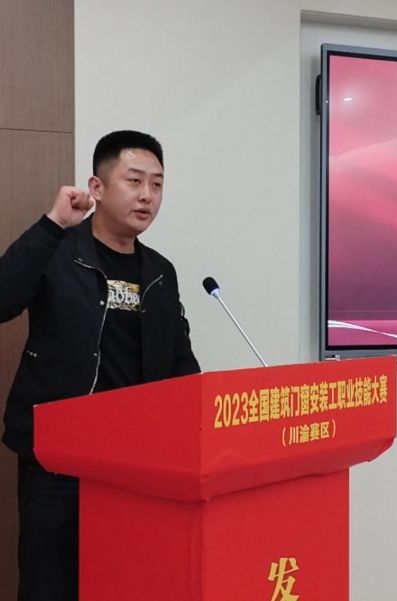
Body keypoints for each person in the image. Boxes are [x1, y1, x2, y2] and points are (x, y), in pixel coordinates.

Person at [0, 130, 201, 601]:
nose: (147, 195)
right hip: (58, 461)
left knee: (124, 583)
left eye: (157, 184)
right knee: (50, 585)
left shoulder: (160, 272)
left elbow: (179, 361)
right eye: (134, 180)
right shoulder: (57, 250)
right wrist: (52, 224)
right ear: (97, 187)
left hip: (134, 463)